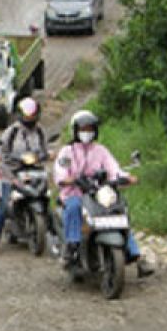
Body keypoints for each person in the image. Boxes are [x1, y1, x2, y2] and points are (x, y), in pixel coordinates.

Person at [53, 110, 155, 277]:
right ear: (76, 130)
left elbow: (113, 169)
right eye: (83, 129)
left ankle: (136, 256)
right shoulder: (67, 152)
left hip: (97, 194)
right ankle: (72, 247)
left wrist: (126, 178)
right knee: (74, 207)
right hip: (75, 193)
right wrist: (68, 179)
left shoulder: (100, 150)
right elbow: (61, 171)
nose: (87, 132)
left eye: (90, 129)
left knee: (118, 212)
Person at [0, 98, 50, 249]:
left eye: (33, 115)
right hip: (11, 172)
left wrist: (50, 153)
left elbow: (46, 148)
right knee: (5, 205)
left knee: (46, 198)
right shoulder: (12, 131)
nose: (30, 118)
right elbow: (0, 147)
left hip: (34, 170)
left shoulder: (40, 131)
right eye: (27, 115)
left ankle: (56, 239)